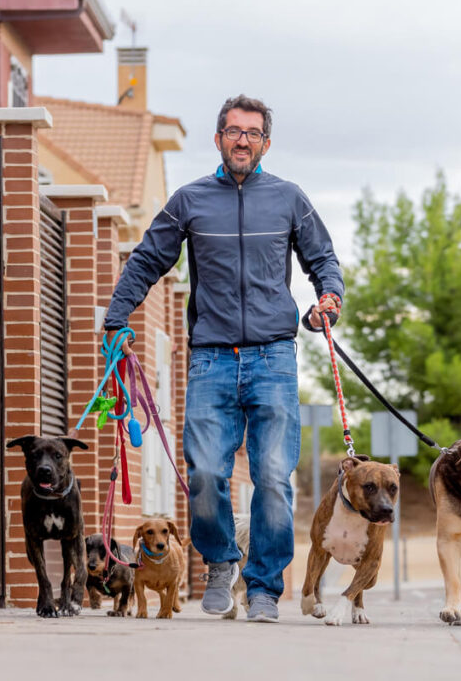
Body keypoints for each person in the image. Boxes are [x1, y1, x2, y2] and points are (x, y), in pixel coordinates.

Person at [102, 94, 343, 622]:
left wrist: (329, 296)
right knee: (207, 473)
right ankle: (219, 563)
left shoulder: (288, 198)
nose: (242, 140)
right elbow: (146, 260)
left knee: (274, 478)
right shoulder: (189, 201)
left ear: (265, 143)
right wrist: (117, 318)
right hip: (210, 359)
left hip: (273, 357)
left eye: (253, 133)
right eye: (233, 131)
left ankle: (263, 588)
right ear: (218, 139)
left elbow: (323, 258)